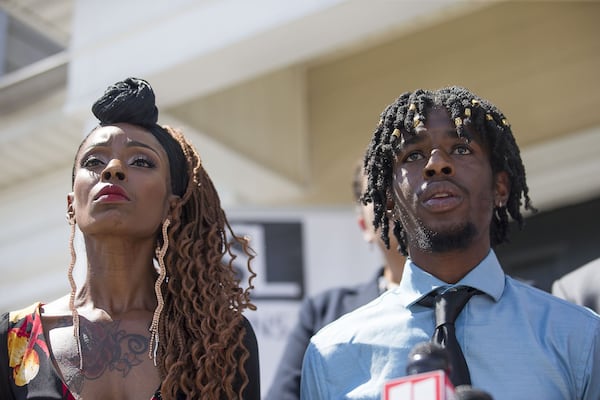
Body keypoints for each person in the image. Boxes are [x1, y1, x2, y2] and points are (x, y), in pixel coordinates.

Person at [300, 86, 600, 399]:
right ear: (388, 199)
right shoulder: (330, 355)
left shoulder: (579, 338)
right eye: (413, 155)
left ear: (500, 186)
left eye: (461, 149)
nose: (436, 164)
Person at [0, 77, 260, 399]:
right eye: (94, 161)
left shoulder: (219, 339)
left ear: (172, 206)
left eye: (141, 161)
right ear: (72, 204)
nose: (112, 169)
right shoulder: (12, 339)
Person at [265, 162, 406, 400]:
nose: (395, 198)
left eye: (402, 182)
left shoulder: (469, 301)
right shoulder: (323, 313)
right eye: (379, 190)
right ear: (364, 225)